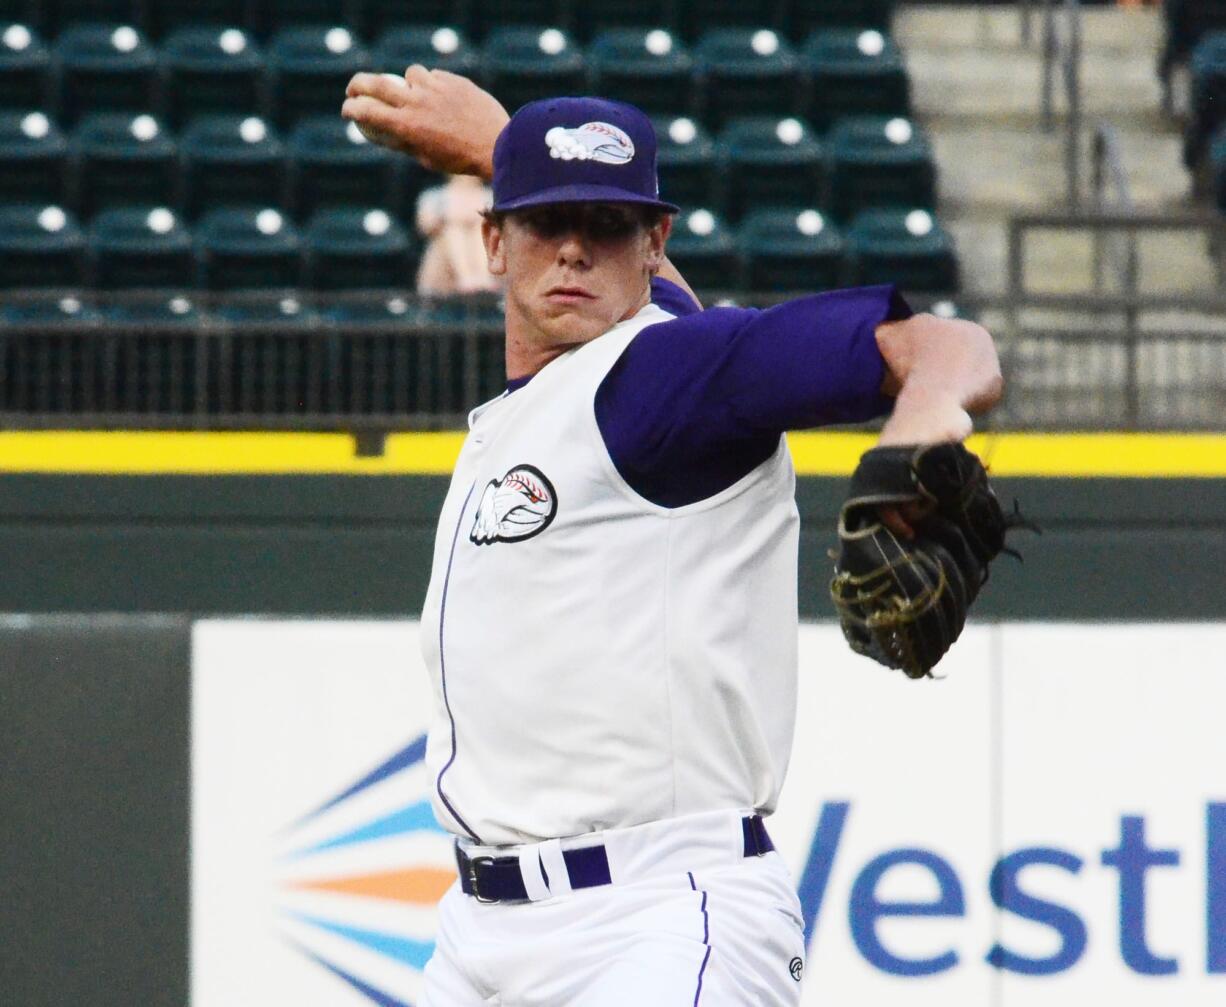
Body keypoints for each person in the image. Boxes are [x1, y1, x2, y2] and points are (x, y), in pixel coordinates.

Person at [343, 69, 1002, 1005]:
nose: (573, 248)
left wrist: (926, 415)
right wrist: (499, 141)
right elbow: (644, 299)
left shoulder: (667, 377)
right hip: (480, 932)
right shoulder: (577, 390)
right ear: (493, 239)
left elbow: (946, 343)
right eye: (543, 220)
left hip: (651, 918)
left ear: (654, 242)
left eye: (608, 225)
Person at [415, 173, 502, 296]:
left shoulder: (490, 196)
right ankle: (466, 277)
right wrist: (452, 219)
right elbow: (425, 227)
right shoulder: (434, 196)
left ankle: (483, 277)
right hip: (444, 252)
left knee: (480, 230)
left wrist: (473, 220)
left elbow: (501, 227)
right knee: (453, 230)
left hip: (483, 246)